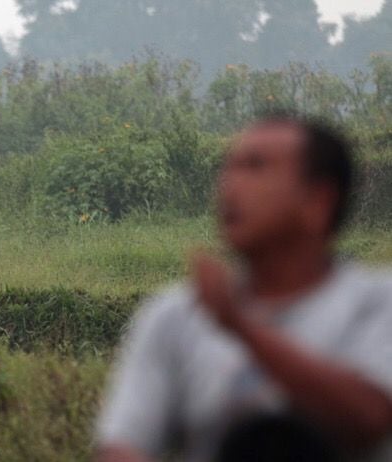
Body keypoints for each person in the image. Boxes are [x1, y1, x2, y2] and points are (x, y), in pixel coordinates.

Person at [95, 117, 392, 461]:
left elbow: (372, 418)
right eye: (228, 168)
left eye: (256, 167)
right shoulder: (172, 315)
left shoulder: (376, 304)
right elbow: (123, 444)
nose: (229, 185)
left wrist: (241, 326)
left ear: (318, 201)